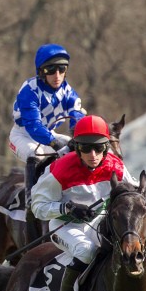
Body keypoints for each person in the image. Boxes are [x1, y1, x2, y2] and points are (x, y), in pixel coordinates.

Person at [30, 114, 146, 291]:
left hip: (101, 223)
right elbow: (37, 207)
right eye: (87, 149)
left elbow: (142, 195)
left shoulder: (115, 165)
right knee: (87, 251)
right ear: (77, 149)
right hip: (66, 226)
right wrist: (66, 208)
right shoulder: (59, 170)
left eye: (99, 149)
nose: (93, 155)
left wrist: (142, 201)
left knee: (133, 244)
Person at [9, 43, 86, 198]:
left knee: (82, 150)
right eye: (50, 70)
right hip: (23, 135)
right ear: (41, 72)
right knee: (34, 156)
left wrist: (79, 138)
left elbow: (77, 119)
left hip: (49, 134)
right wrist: (54, 143)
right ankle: (31, 201)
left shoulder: (69, 92)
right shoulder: (29, 91)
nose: (57, 75)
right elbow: (34, 127)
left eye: (61, 69)